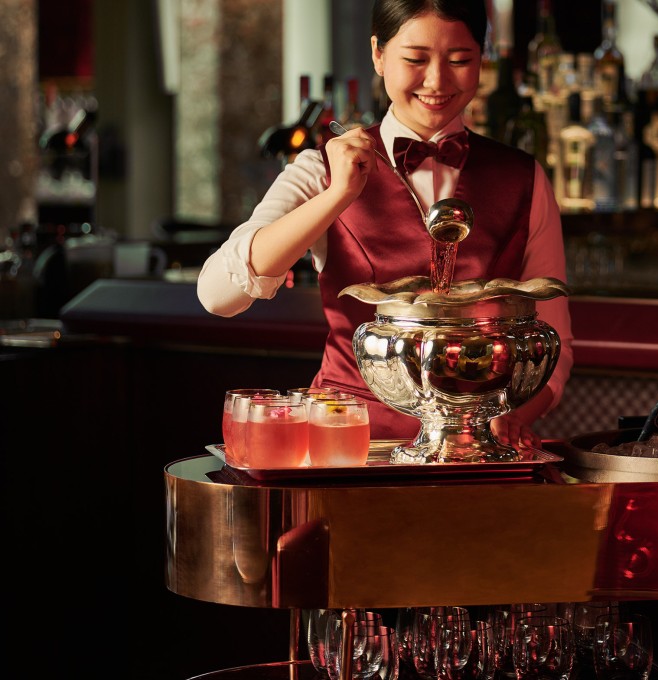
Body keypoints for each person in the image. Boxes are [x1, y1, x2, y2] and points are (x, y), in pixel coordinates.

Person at [197, 0, 572, 449]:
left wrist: (511, 418)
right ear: (378, 54)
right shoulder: (321, 169)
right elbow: (219, 295)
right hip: (347, 445)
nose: (437, 81)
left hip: (474, 452)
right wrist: (338, 195)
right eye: (415, 59)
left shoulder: (523, 176)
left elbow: (558, 343)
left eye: (460, 60)